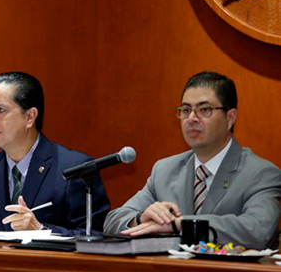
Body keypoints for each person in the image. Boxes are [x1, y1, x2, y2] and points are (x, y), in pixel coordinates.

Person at [104, 71, 281, 249]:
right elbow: (113, 221)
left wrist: (181, 225)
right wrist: (141, 218)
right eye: (186, 110)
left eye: (204, 110)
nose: (191, 119)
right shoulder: (165, 170)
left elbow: (258, 230)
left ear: (230, 117)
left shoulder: (261, 173)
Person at [0, 72, 110, 236]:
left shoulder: (76, 170)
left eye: (0, 110)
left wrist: (41, 230)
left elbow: (94, 235)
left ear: (30, 117)